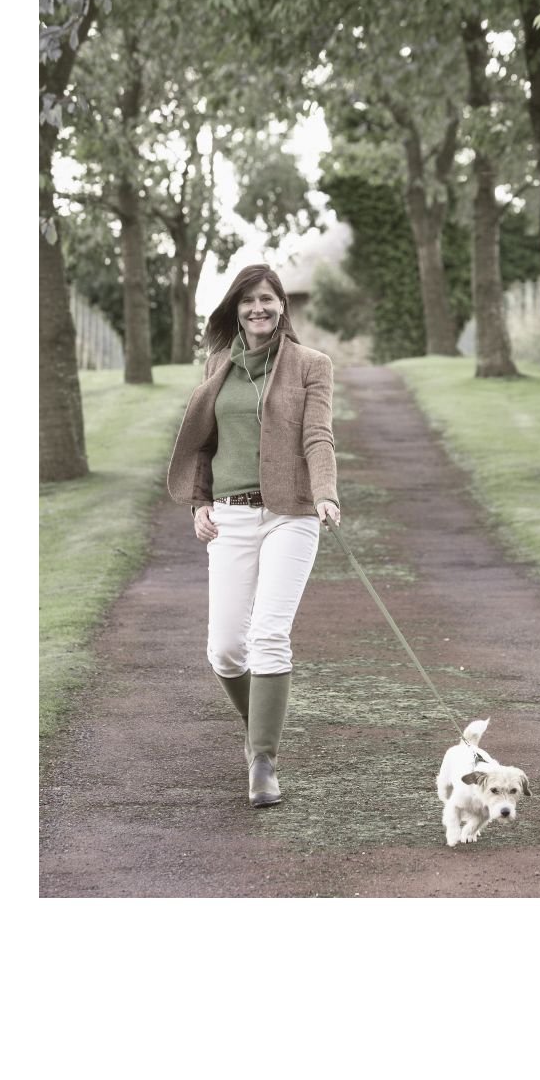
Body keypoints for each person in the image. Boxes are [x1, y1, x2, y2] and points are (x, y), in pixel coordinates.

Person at [167, 264, 340, 808]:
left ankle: (262, 761)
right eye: (247, 301)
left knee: (268, 633)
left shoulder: (312, 365)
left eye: (267, 299)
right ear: (235, 309)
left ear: (282, 306)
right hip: (231, 516)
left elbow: (318, 435)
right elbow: (202, 441)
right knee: (224, 649)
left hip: (292, 514)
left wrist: (327, 492)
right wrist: (199, 502)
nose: (257, 309)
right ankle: (258, 726)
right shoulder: (218, 365)